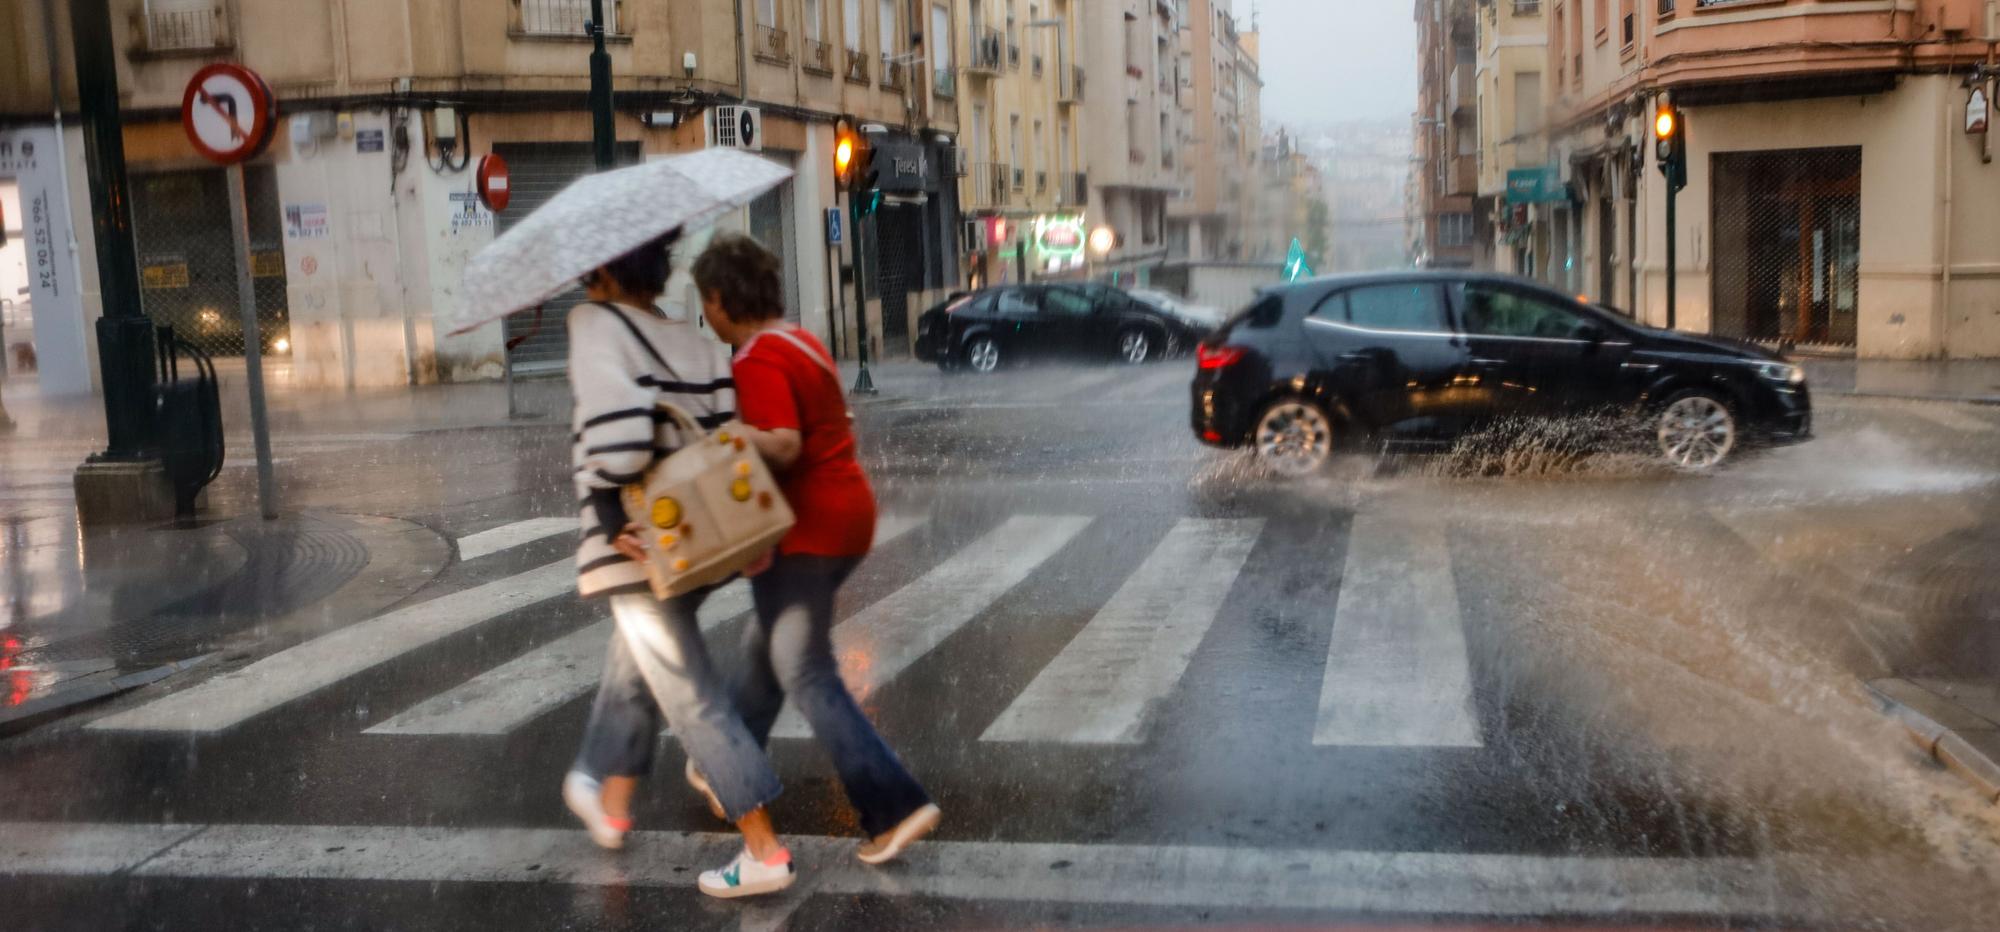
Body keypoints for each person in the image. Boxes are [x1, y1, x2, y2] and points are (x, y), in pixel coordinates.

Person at [560, 229, 799, 899]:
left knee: (691, 696)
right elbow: (725, 430)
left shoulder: (594, 323)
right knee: (637, 660)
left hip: (646, 547)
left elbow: (618, 439)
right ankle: (607, 797)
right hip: (705, 543)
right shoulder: (694, 341)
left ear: (604, 265)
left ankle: (763, 849)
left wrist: (612, 521)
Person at [691, 233, 942, 865]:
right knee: (768, 646)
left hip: (805, 531)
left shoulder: (755, 359)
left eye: (705, 301)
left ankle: (894, 806)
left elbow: (783, 443)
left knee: (803, 670)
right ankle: (728, 761)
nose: (705, 315)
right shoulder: (801, 340)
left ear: (722, 299)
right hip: (848, 515)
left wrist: (731, 437)